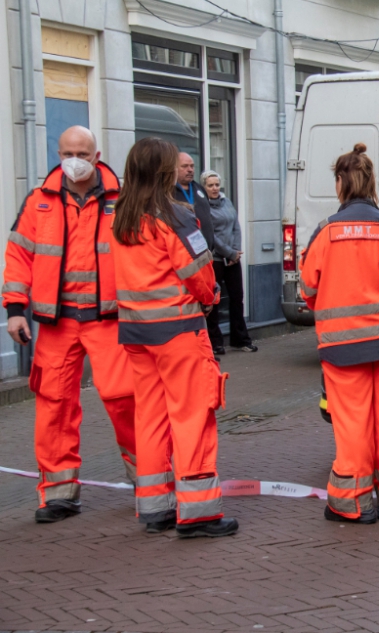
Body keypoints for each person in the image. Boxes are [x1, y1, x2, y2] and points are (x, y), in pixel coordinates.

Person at [1, 126, 137, 523]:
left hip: (108, 318)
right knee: (54, 405)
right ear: (58, 154)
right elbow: (18, 255)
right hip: (57, 321)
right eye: (66, 152)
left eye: (81, 151)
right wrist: (14, 309)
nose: (73, 159)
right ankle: (58, 494)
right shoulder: (39, 201)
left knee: (124, 398)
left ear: (97, 156)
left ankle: (150, 482)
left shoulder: (123, 198)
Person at [111, 137, 237, 538]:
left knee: (150, 416)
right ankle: (198, 513)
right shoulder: (176, 217)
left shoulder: (121, 217)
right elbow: (199, 275)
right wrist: (211, 296)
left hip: (136, 333)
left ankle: (157, 507)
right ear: (165, 171)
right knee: (192, 414)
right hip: (178, 333)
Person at [299, 143, 379, 524]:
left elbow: (308, 289)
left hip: (342, 346)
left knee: (352, 423)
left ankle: (353, 503)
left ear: (340, 183)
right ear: (371, 182)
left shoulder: (324, 233)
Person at [202, 171, 256, 355]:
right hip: (215, 259)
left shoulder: (227, 202)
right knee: (214, 301)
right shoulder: (202, 207)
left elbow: (236, 226)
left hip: (232, 260)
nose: (215, 188)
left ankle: (240, 339)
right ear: (204, 187)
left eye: (217, 184)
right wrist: (229, 252)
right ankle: (215, 343)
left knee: (236, 298)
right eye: (210, 185)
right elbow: (210, 235)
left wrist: (235, 251)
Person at [175, 152, 215, 252]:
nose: (190, 170)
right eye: (184, 166)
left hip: (207, 253)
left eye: (192, 166)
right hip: (186, 255)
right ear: (174, 169)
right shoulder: (169, 193)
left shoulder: (200, 189)